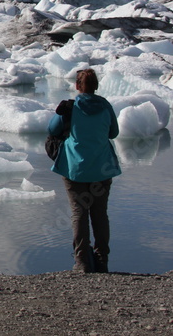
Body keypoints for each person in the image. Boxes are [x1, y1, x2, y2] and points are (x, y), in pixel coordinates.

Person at [48, 68, 121, 273]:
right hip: (102, 168)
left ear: (77, 86)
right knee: (100, 213)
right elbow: (114, 133)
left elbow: (52, 130)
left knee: (79, 212)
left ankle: (82, 261)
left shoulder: (71, 107)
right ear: (96, 85)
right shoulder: (105, 105)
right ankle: (102, 259)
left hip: (75, 168)